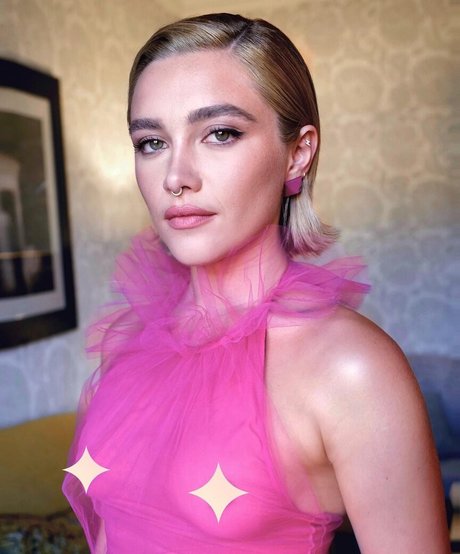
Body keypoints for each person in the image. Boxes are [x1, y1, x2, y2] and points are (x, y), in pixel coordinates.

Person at [63, 13, 450, 553]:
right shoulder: (127, 347)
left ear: (298, 153)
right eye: (151, 142)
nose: (176, 177)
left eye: (220, 134)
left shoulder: (350, 369)